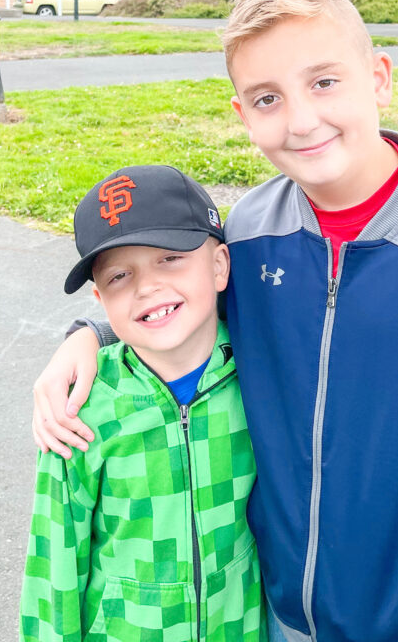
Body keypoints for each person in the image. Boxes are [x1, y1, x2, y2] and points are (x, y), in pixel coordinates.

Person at [33, 0, 398, 642]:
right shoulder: (249, 229)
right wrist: (90, 334)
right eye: (267, 98)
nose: (301, 120)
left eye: (324, 82)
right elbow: (177, 304)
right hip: (288, 619)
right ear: (243, 115)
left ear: (378, 78)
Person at [20, 165, 265, 642]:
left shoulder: (261, 378)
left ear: (219, 266)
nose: (146, 286)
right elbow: (54, 565)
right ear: (100, 299)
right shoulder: (80, 411)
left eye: (170, 259)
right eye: (119, 276)